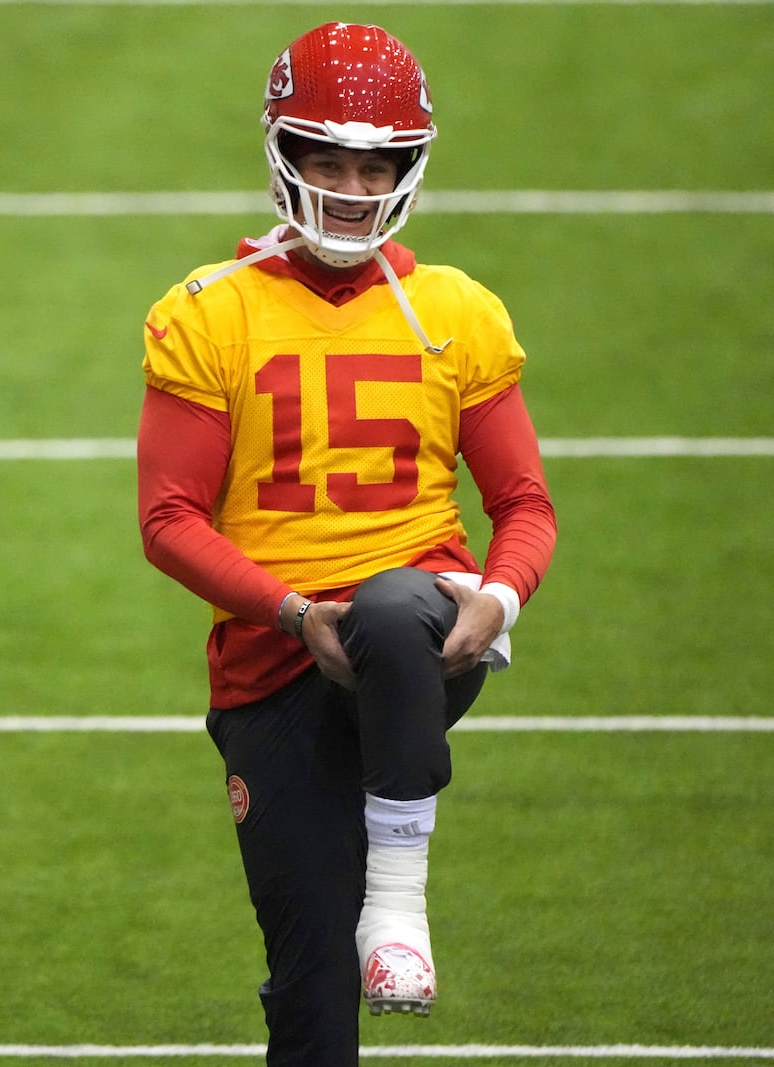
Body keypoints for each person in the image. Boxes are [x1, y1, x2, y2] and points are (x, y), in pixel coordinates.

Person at [136, 22, 557, 1066]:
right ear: (283, 157)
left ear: (406, 169)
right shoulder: (206, 312)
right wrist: (290, 610)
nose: (351, 186)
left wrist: (493, 601)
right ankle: (353, 947)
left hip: (419, 631)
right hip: (271, 665)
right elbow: (167, 519)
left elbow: (525, 503)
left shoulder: (455, 309)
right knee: (308, 988)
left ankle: (401, 904)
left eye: (374, 165)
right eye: (326, 159)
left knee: (387, 603)